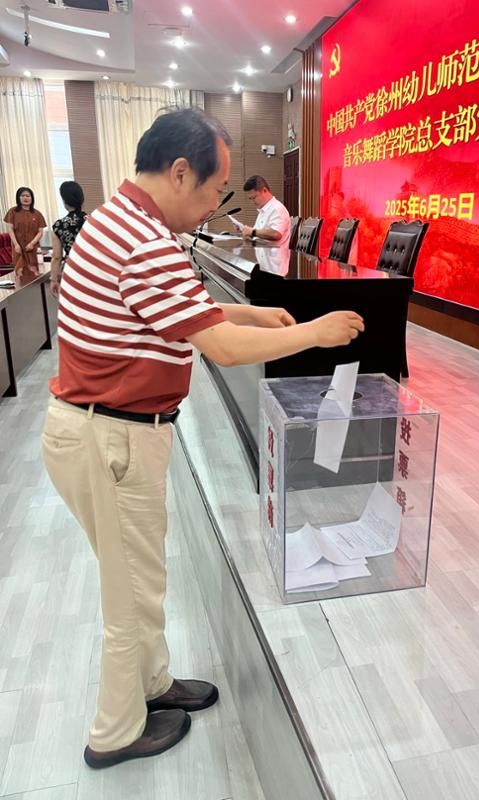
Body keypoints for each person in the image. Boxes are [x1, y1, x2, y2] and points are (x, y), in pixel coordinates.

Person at [41, 108, 363, 770]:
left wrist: (251, 311)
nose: (215, 204)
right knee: (130, 590)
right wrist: (313, 332)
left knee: (141, 577)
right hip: (110, 437)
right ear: (181, 172)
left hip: (104, 430)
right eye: (214, 190)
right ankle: (116, 730)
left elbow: (180, 312)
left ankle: (154, 683)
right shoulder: (145, 241)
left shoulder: (123, 220)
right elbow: (221, 347)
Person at [50, 181, 87, 298]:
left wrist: (53, 279)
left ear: (64, 201)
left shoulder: (59, 225)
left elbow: (57, 257)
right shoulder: (93, 220)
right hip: (92, 268)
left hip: (71, 270)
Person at [3, 187, 46, 276]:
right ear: (18, 198)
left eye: (28, 196)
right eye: (22, 196)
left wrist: (32, 244)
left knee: (35, 273)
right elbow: (10, 229)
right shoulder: (12, 212)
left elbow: (40, 232)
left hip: (33, 248)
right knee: (19, 273)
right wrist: (16, 244)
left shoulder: (37, 214)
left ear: (32, 198)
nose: (25, 198)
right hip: (18, 247)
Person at [241, 174, 291, 246]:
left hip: (275, 252)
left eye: (254, 197)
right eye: (250, 199)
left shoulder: (277, 209)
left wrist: (253, 232)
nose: (253, 202)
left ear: (264, 190)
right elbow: (257, 234)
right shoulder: (263, 210)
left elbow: (276, 234)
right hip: (263, 250)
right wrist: (246, 231)